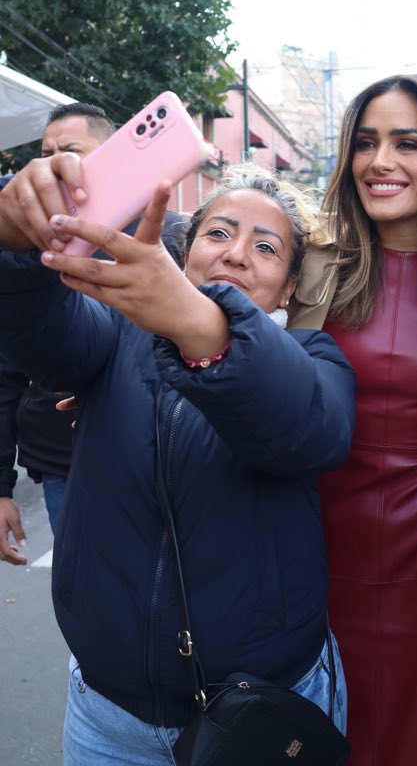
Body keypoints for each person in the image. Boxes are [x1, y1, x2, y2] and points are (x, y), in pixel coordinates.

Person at [0, 157, 354, 766]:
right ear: (183, 252)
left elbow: (309, 430)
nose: (236, 254)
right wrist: (14, 243)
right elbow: (39, 329)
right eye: (218, 233)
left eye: (266, 247)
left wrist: (206, 330)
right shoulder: (113, 334)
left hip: (261, 712)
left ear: (290, 286)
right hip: (108, 715)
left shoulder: (312, 356)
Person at [289, 73, 417, 766]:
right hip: (306, 560)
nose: (381, 162)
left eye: (408, 143)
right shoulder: (309, 266)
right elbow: (223, 336)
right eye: (366, 143)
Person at [0, 102, 186, 558]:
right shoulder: (26, 249)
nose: (53, 165)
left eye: (70, 150)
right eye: (44, 153)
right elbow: (4, 374)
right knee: (91, 607)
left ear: (111, 156)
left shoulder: (179, 238)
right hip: (65, 463)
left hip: (162, 459)